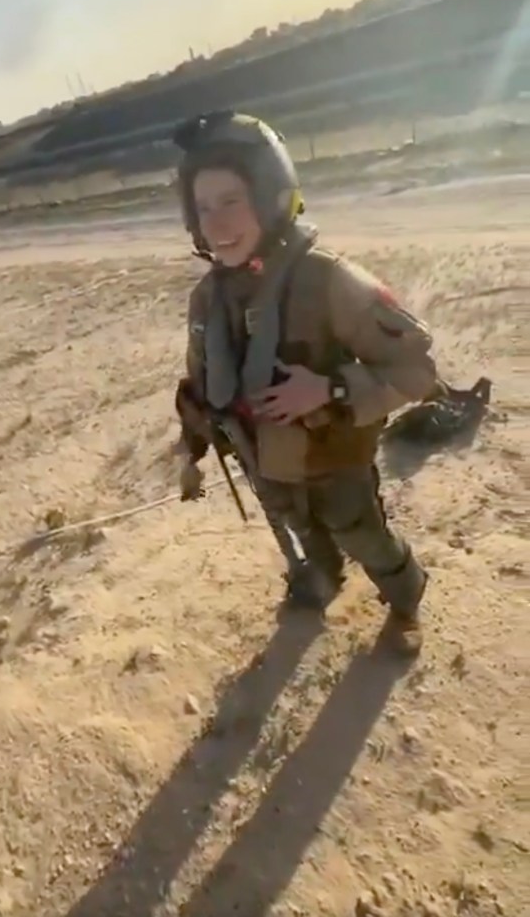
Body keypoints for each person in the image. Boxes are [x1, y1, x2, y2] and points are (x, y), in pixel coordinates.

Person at [173, 110, 439, 654]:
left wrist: (330, 389)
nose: (217, 224)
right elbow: (200, 385)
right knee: (302, 533)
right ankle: (322, 580)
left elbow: (415, 369)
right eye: (204, 208)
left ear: (271, 196)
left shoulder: (327, 280)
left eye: (231, 201)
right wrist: (191, 453)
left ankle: (405, 600)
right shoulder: (207, 300)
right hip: (263, 463)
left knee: (362, 534)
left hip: (334, 460)